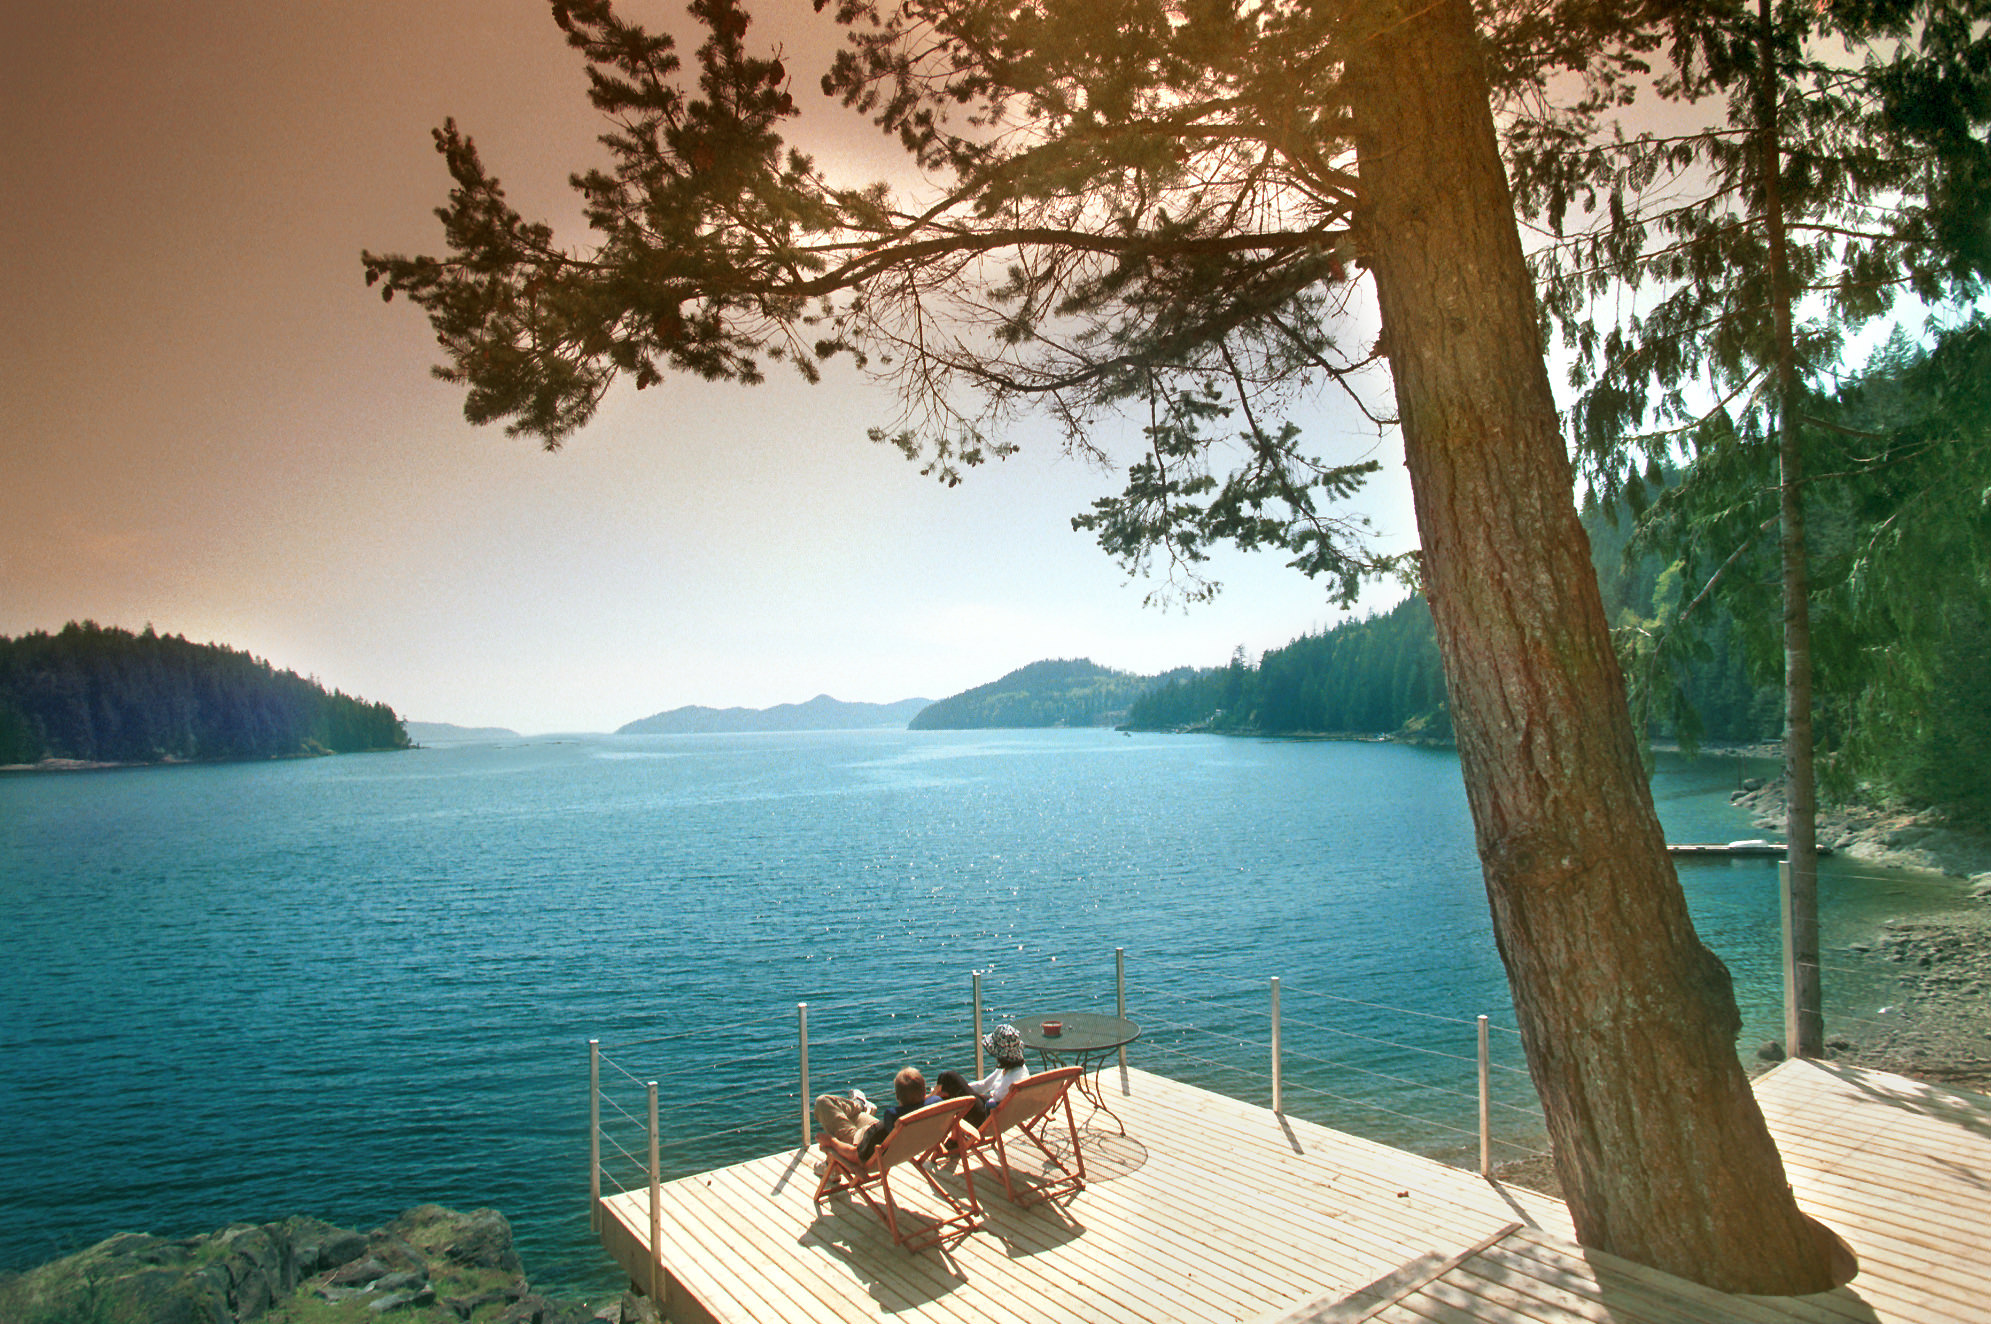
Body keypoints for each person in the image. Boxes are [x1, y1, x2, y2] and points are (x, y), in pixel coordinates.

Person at [813, 1066, 931, 1163]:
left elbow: (855, 1155)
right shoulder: (933, 1109)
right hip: (891, 1140)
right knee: (851, 1114)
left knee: (822, 1102)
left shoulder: (888, 1125)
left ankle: (859, 1104)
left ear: (897, 1096)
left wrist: (831, 1142)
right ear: (924, 1091)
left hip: (864, 1143)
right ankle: (859, 1105)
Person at [934, 1023, 1031, 1128]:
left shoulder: (1012, 1080)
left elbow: (992, 1100)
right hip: (997, 1114)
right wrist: (964, 1088)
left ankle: (927, 1106)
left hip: (987, 1118)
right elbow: (985, 1085)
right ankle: (954, 1137)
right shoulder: (1019, 1069)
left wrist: (964, 1092)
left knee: (949, 1077)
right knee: (951, 1086)